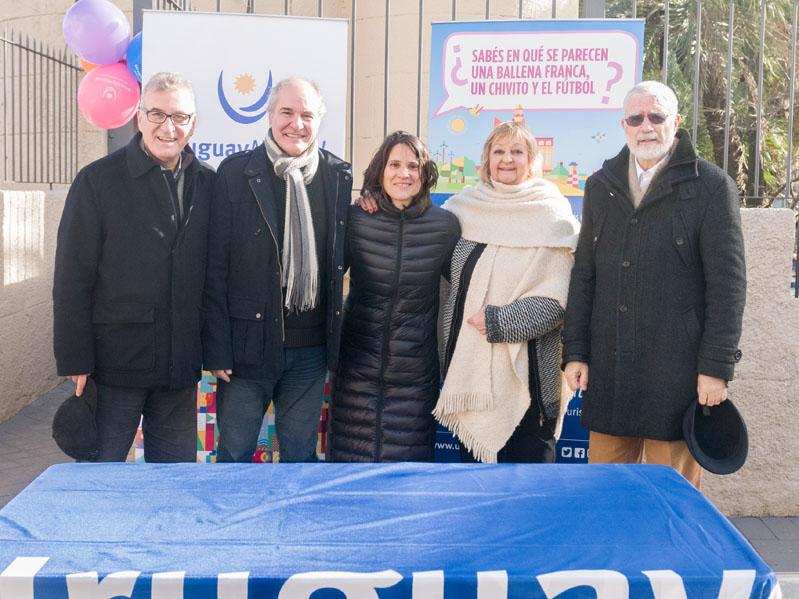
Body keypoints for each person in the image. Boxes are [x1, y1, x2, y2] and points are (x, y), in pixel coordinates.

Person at [561, 81, 746, 489]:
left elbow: (728, 286)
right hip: (609, 372)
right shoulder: (599, 186)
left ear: (675, 122)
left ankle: (669, 559)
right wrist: (575, 351)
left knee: (671, 499)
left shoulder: (712, 187)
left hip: (677, 377)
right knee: (604, 495)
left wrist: (715, 368)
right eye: (636, 118)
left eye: (656, 116)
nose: (646, 126)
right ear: (623, 125)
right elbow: (585, 273)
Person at [52, 72, 214, 462]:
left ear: (193, 123)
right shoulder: (97, 182)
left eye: (179, 116)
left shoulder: (208, 183)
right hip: (114, 367)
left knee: (171, 484)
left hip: (178, 368)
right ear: (138, 118)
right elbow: (72, 277)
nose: (168, 126)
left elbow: (215, 274)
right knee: (101, 477)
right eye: (156, 113)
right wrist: (75, 359)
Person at [202, 78, 353, 463]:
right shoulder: (235, 173)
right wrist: (217, 348)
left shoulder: (338, 177)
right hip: (245, 351)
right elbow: (214, 268)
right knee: (234, 455)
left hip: (311, 352)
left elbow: (341, 255)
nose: (296, 124)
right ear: (269, 116)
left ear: (319, 121)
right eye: (286, 112)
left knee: (300, 457)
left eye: (306, 115)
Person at [433, 121, 580, 464]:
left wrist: (500, 321)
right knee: (475, 488)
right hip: (469, 378)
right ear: (486, 160)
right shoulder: (462, 209)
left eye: (517, 151)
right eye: (498, 151)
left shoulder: (551, 213)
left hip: (529, 378)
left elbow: (560, 298)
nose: (507, 159)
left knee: (530, 493)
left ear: (533, 161)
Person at [329, 132, 460, 462]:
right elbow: (326, 281)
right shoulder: (356, 219)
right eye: (395, 164)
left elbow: (465, 288)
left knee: (405, 482)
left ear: (424, 173)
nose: (404, 173)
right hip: (356, 370)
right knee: (349, 475)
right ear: (380, 171)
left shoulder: (445, 226)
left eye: (413, 166)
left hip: (415, 376)